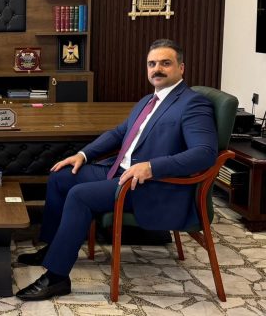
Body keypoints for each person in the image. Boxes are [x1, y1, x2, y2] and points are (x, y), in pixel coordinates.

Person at [15, 39, 218, 301]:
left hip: (150, 185)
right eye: (152, 64)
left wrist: (152, 167)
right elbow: (119, 133)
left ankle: (56, 277)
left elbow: (204, 153)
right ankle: (53, 248)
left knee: (79, 195)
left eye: (165, 63)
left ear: (181, 68)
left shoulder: (193, 103)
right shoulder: (148, 100)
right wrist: (82, 155)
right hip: (119, 171)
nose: (157, 69)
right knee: (61, 176)